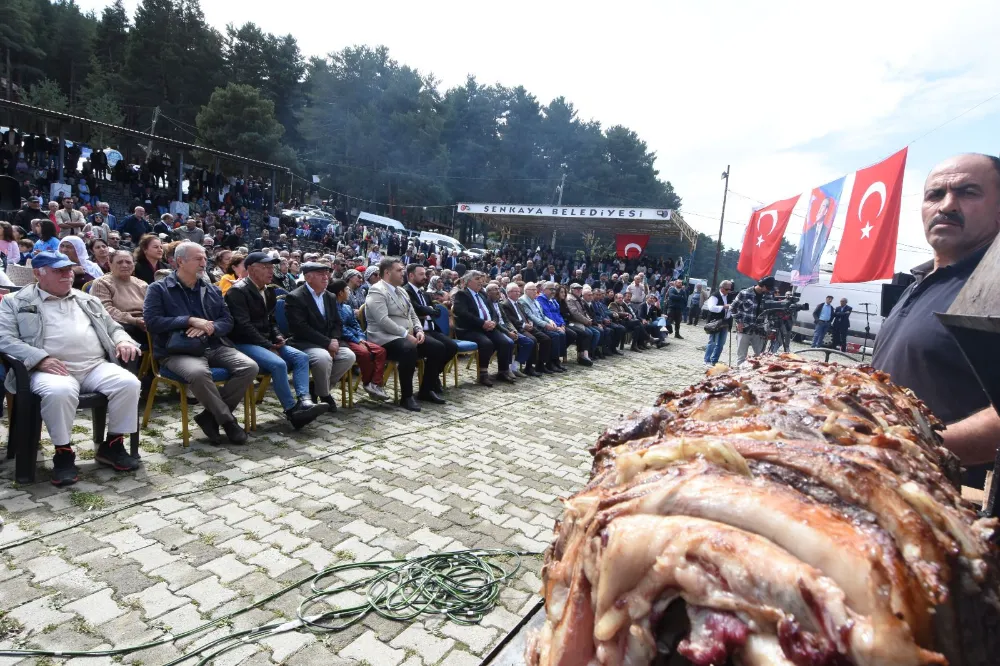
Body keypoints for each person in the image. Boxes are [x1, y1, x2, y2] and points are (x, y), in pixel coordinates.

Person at [873, 153, 1000, 477]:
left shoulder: (993, 284)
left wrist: (913, 448)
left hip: (953, 501)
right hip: (880, 479)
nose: (947, 205)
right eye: (935, 194)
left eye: (968, 192)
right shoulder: (919, 281)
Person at [0, 251, 142, 486]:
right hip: (48, 369)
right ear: (38, 273)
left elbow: (113, 326)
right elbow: (4, 338)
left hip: (94, 365)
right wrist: (40, 358)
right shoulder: (16, 302)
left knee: (129, 383)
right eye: (58, 271)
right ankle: (63, 453)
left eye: (68, 269)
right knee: (59, 392)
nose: (67, 275)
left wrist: (123, 340)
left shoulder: (86, 299)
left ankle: (112, 444)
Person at [144, 241, 258, 445]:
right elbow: (152, 322)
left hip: (212, 344)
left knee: (249, 367)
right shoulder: (159, 289)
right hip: (177, 350)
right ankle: (228, 422)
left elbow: (227, 320)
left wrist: (210, 327)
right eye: (198, 258)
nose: (204, 262)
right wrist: (188, 320)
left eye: (205, 258)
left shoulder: (210, 289)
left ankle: (210, 417)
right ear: (180, 261)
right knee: (198, 373)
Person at [225, 252, 328, 428]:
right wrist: (268, 345)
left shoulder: (269, 290)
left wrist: (278, 336)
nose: (270, 271)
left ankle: (304, 401)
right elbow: (243, 326)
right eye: (265, 267)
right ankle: (292, 411)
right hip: (244, 343)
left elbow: (270, 321)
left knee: (301, 357)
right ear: (250, 269)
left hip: (266, 341)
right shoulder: (237, 291)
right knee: (278, 364)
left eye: (271, 267)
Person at [365, 258, 448, 410]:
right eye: (399, 270)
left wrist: (419, 330)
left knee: (438, 347)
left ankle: (426, 390)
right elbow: (383, 320)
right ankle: (407, 396)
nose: (403, 273)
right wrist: (405, 334)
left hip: (406, 335)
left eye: (402, 270)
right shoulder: (377, 290)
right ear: (387, 272)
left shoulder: (402, 290)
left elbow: (412, 314)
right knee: (408, 349)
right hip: (384, 337)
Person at [283, 262, 358, 410]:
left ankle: (317, 387)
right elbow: (300, 328)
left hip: (328, 341)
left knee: (348, 356)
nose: (326, 277)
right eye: (320, 274)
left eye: (326, 273)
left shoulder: (329, 296)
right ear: (308, 277)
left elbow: (337, 322)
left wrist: (334, 340)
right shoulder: (295, 297)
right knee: (323, 357)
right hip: (305, 342)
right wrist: (327, 343)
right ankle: (324, 394)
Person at [328, 278, 389, 401]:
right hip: (343, 340)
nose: (349, 292)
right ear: (340, 293)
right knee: (364, 353)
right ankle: (367, 383)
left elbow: (356, 325)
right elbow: (341, 329)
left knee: (381, 351)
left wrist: (361, 338)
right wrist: (357, 341)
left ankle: (375, 384)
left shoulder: (346, 308)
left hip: (355, 338)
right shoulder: (332, 308)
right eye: (347, 290)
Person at [453, 270, 516, 385]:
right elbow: (463, 314)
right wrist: (482, 323)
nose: (481, 281)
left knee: (505, 342)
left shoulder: (482, 294)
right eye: (477, 279)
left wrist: (493, 322)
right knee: (487, 343)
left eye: (481, 279)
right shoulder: (462, 294)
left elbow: (494, 312)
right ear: (468, 281)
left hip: (488, 327)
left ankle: (503, 371)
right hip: (469, 329)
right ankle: (483, 374)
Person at [403, 263, 457, 392]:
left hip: (431, 329)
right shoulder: (405, 291)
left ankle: (432, 376)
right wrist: (429, 310)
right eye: (421, 274)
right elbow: (418, 309)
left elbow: (436, 309)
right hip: (417, 331)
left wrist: (429, 310)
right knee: (438, 348)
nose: (425, 277)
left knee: (452, 347)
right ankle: (427, 389)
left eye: (425, 274)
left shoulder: (424, 293)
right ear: (411, 275)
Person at [485, 282, 535, 377]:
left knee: (529, 342)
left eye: (498, 289)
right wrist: (508, 333)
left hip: (507, 328)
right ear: (488, 293)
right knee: (509, 342)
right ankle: (506, 369)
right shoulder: (488, 304)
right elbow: (496, 323)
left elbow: (506, 320)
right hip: (498, 330)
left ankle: (514, 367)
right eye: (495, 289)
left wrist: (513, 330)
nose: (498, 291)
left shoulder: (499, 304)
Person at [502, 282, 551, 374]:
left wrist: (529, 322)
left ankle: (540, 364)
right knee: (533, 340)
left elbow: (525, 315)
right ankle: (529, 367)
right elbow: (510, 319)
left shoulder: (518, 304)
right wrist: (524, 325)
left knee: (546, 339)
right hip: (518, 328)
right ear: (508, 293)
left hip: (527, 326)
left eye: (518, 291)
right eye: (515, 291)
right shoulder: (505, 304)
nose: (518, 293)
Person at [519, 282, 568, 372]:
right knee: (553, 336)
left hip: (541, 324)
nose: (535, 291)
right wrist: (546, 325)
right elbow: (531, 317)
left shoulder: (535, 300)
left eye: (535, 289)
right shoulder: (523, 301)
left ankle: (555, 361)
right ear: (526, 291)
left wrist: (550, 321)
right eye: (533, 290)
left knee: (560, 334)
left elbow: (542, 315)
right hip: (536, 326)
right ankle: (546, 363)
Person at [731, 276, 774, 366]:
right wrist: (739, 322)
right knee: (741, 357)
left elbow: (771, 313)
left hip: (759, 331)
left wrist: (770, 327)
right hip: (744, 329)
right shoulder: (744, 293)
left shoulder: (768, 296)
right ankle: (739, 377)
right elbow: (732, 308)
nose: (768, 290)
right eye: (768, 288)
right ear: (762, 285)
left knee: (761, 357)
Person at [565, 283, 600, 361]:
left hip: (581, 321)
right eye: (576, 289)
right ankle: (583, 354)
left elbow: (584, 311)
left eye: (580, 289)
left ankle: (588, 353)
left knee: (595, 331)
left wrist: (588, 319)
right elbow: (575, 313)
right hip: (573, 321)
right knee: (588, 333)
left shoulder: (578, 298)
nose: (579, 291)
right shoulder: (570, 298)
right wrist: (586, 321)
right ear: (572, 290)